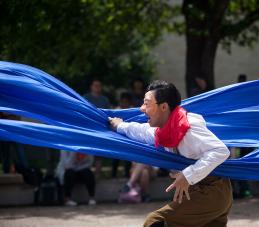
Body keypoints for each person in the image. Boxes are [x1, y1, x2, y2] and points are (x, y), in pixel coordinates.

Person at [109, 80, 232, 227]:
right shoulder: (165, 131)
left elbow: (220, 150)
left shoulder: (188, 128)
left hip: (212, 191)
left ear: (164, 107)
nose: (142, 109)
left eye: (147, 104)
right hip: (203, 193)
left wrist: (188, 175)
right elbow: (141, 131)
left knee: (155, 223)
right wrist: (119, 125)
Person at [83, 79, 111, 178]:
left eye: (99, 85)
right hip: (89, 129)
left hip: (101, 129)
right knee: (88, 151)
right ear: (91, 86)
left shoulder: (104, 99)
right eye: (95, 85)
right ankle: (87, 173)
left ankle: (97, 174)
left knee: (99, 153)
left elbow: (108, 114)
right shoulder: (86, 98)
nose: (97, 87)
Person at [112, 92, 133, 178]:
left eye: (126, 101)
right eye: (123, 101)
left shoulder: (132, 111)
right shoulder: (116, 111)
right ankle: (113, 175)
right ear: (120, 101)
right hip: (117, 138)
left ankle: (127, 175)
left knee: (128, 158)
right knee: (115, 157)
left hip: (128, 138)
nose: (124, 103)